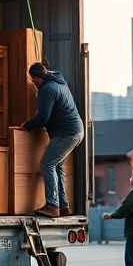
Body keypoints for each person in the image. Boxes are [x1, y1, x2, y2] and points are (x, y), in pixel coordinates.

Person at [22, 62, 84, 218]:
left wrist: (27, 126)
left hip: (67, 133)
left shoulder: (48, 89)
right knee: (57, 166)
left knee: (47, 164)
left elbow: (43, 117)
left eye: (33, 80)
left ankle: (52, 205)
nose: (33, 83)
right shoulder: (57, 82)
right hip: (76, 131)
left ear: (38, 78)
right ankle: (63, 206)